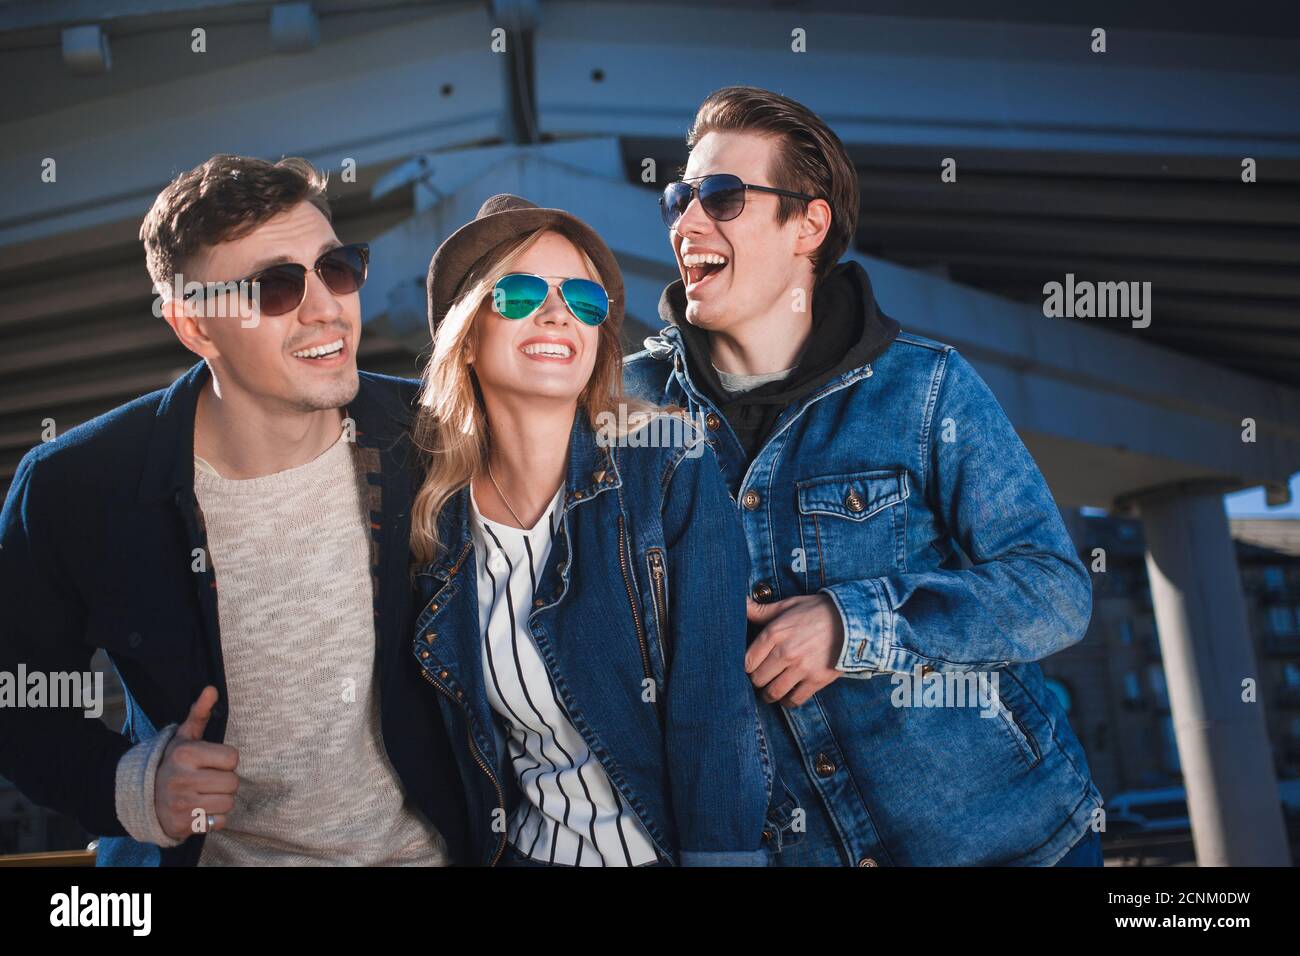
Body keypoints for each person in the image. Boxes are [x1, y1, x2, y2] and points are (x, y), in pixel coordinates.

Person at [623, 86, 1105, 866]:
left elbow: (1053, 591)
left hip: (1013, 843)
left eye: (721, 195)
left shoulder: (925, 390)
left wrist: (856, 625)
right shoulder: (631, 411)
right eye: (681, 196)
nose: (686, 220)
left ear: (808, 225)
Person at [0, 154, 467, 865]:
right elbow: (15, 700)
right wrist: (133, 788)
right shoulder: (77, 489)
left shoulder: (434, 438)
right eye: (275, 288)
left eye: (335, 269)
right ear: (194, 326)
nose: (325, 308)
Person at [409, 194, 771, 866]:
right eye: (517, 295)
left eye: (583, 297)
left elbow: (713, 709)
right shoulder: (440, 517)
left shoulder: (667, 466)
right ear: (464, 339)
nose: (556, 313)